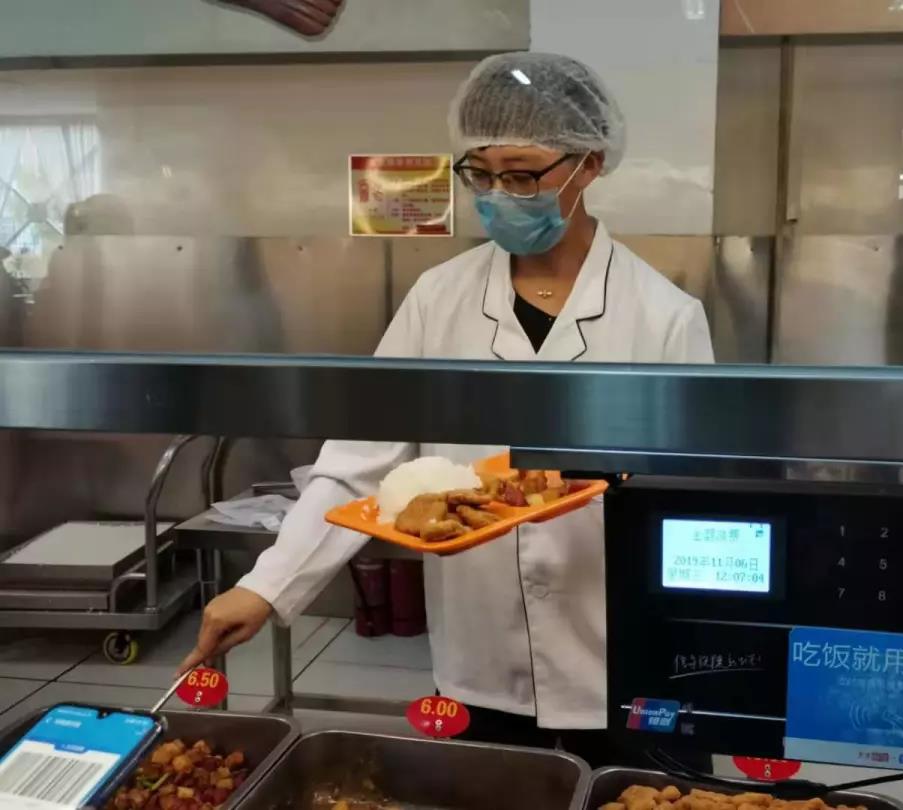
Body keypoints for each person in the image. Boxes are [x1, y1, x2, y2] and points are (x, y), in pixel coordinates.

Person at [179, 52, 714, 763]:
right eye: (480, 174)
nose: (498, 195)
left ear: (589, 164)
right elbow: (358, 462)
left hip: (620, 653)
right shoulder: (439, 298)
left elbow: (691, 502)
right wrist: (268, 586)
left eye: (522, 174)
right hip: (479, 653)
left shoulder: (664, 316)